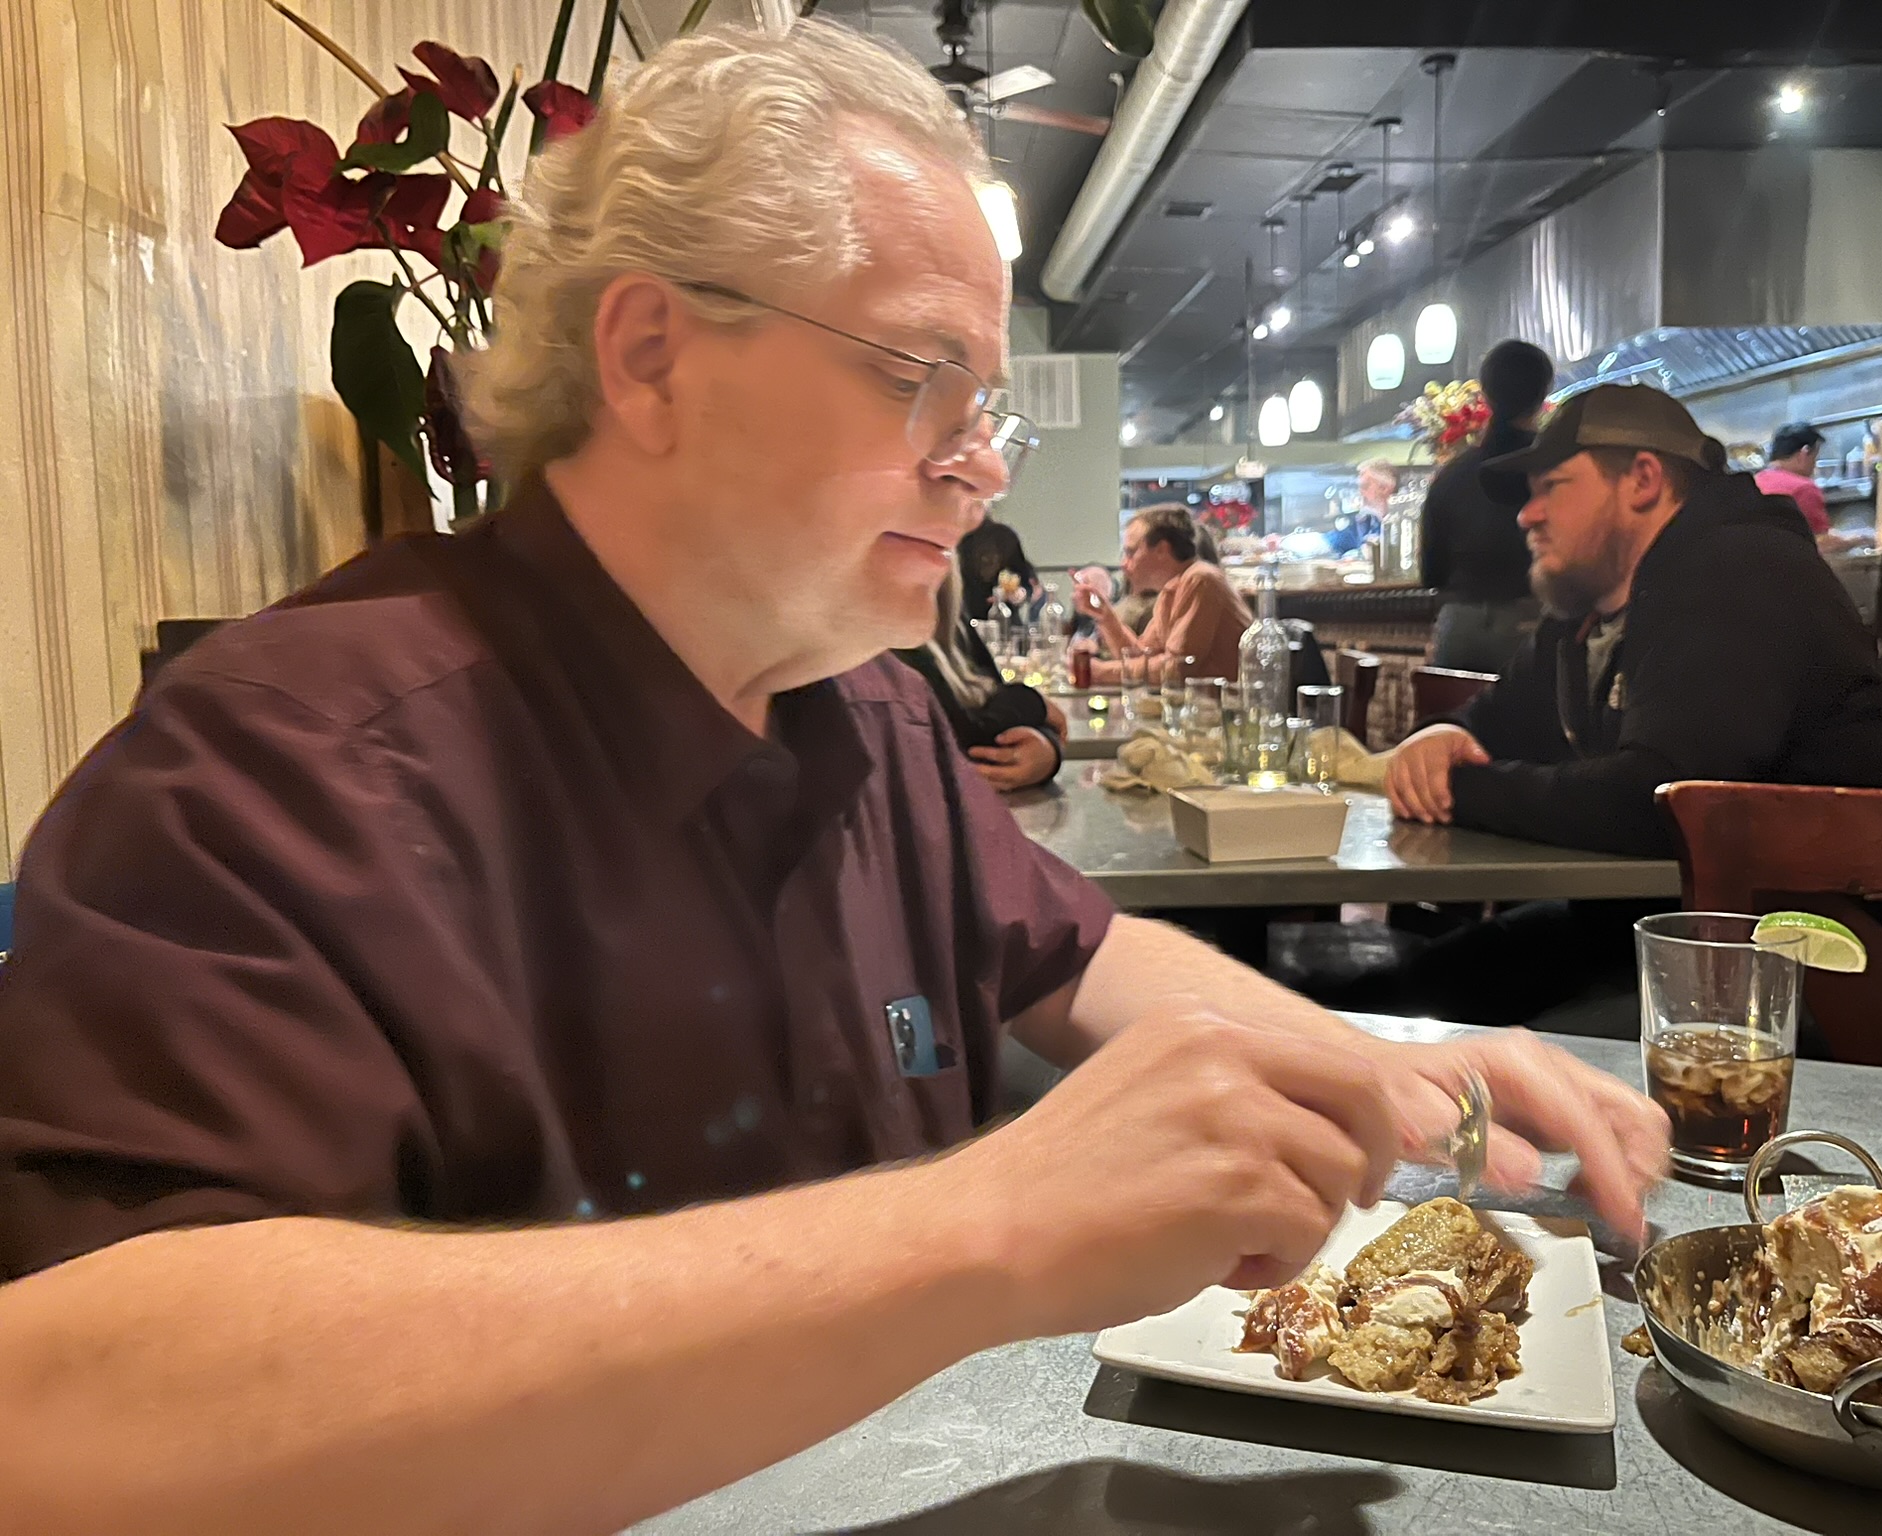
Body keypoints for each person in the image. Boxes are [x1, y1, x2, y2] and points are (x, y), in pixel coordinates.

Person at [0, 23, 1667, 1532]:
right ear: (650, 356)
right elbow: (68, 1405)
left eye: (990, 401)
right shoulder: (283, 764)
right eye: (912, 371)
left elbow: (1077, 957)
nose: (981, 456)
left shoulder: (857, 713)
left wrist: (1414, 1071)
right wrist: (986, 1228)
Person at [1385, 384, 1882, 858]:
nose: (1526, 515)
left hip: (1792, 949)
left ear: (1643, 481)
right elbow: (1493, 723)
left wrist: (1462, 789)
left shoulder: (1739, 569)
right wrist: (1443, 736)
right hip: (1664, 927)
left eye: (1550, 487)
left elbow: (1662, 799)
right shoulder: (1586, 611)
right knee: (1391, 978)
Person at [1420, 340, 1554, 674]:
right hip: (1527, 623)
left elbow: (1430, 573)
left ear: (1486, 395)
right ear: (1544, 394)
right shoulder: (1555, 471)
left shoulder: (1450, 476)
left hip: (1458, 626)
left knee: (1453, 723)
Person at [896, 558, 1063, 791]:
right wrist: (1035, 705)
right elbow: (967, 739)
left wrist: (1047, 748)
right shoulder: (890, 639)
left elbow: (1000, 706)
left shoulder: (954, 622)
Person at [1074, 504, 1251, 683]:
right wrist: (1104, 616)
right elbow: (1139, 655)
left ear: (1162, 550)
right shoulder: (1173, 588)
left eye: (1131, 552)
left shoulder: (1201, 579)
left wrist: (1101, 672)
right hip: (1199, 706)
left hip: (1225, 708)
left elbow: (1178, 667)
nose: (1123, 563)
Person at [956, 508, 1039, 621]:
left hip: (1004, 622)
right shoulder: (953, 538)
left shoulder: (1004, 536)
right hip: (963, 621)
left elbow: (1026, 580)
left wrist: (1019, 594)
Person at [1754, 422, 1830, 539]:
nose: (1814, 465)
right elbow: (1820, 542)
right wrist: (1858, 538)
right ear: (1804, 453)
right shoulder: (1804, 489)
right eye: (1815, 457)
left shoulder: (1755, 481)